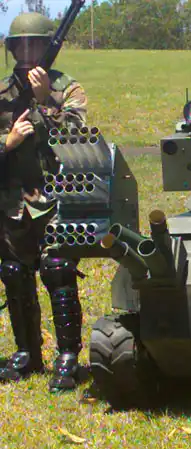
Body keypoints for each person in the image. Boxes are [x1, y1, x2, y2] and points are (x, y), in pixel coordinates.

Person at [0, 12, 87, 392]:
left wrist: (43, 102)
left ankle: (67, 356)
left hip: (56, 195)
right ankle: (27, 352)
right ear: (11, 49)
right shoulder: (2, 93)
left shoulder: (66, 89)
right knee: (15, 273)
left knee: (57, 269)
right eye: (21, 45)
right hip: (12, 200)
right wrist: (7, 144)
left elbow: (78, 138)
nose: (28, 52)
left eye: (35, 44)